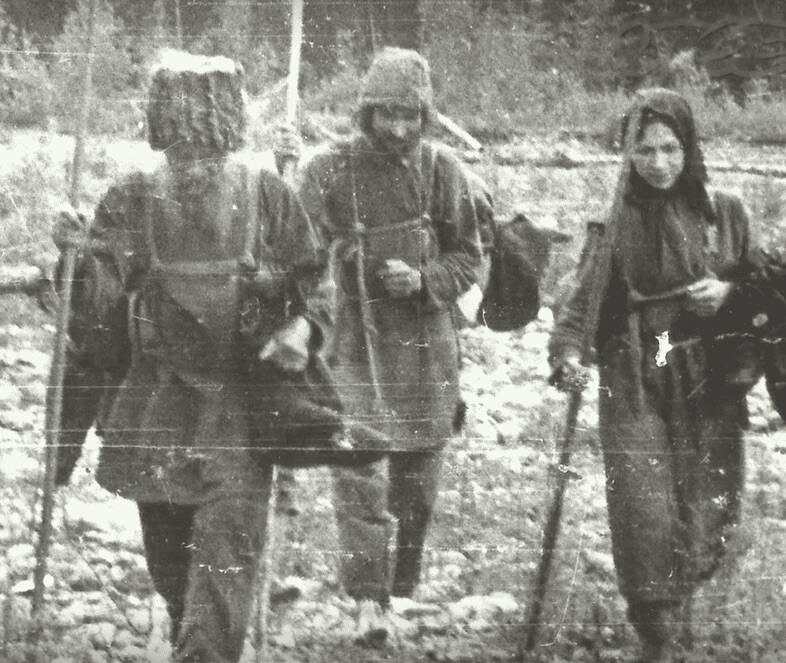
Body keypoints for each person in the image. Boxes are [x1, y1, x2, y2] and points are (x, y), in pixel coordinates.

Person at [51, 50, 331, 663]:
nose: (193, 161)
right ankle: (191, 633)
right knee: (171, 567)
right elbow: (96, 318)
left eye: (205, 144)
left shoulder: (267, 194)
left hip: (238, 404)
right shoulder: (130, 198)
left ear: (227, 131)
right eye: (180, 144)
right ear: (160, 132)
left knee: (225, 558)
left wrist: (303, 328)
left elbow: (316, 282)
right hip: (155, 404)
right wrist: (75, 259)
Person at [548, 88, 760, 662]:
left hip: (708, 374)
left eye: (670, 148)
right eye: (644, 151)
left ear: (689, 148)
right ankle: (656, 635)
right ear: (627, 154)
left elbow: (765, 286)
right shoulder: (614, 223)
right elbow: (582, 304)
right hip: (638, 371)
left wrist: (730, 292)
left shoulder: (726, 213)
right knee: (643, 510)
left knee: (706, 503)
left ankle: (679, 609)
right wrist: (567, 356)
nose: (659, 163)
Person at [296, 47, 483, 641]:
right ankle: (368, 598)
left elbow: (469, 258)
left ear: (425, 116)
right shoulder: (328, 169)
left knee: (416, 487)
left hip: (426, 345)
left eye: (410, 115)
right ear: (366, 112)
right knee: (359, 472)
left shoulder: (443, 170)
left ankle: (400, 588)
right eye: (387, 114)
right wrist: (333, 267)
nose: (398, 129)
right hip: (356, 343)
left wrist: (426, 280)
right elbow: (297, 248)